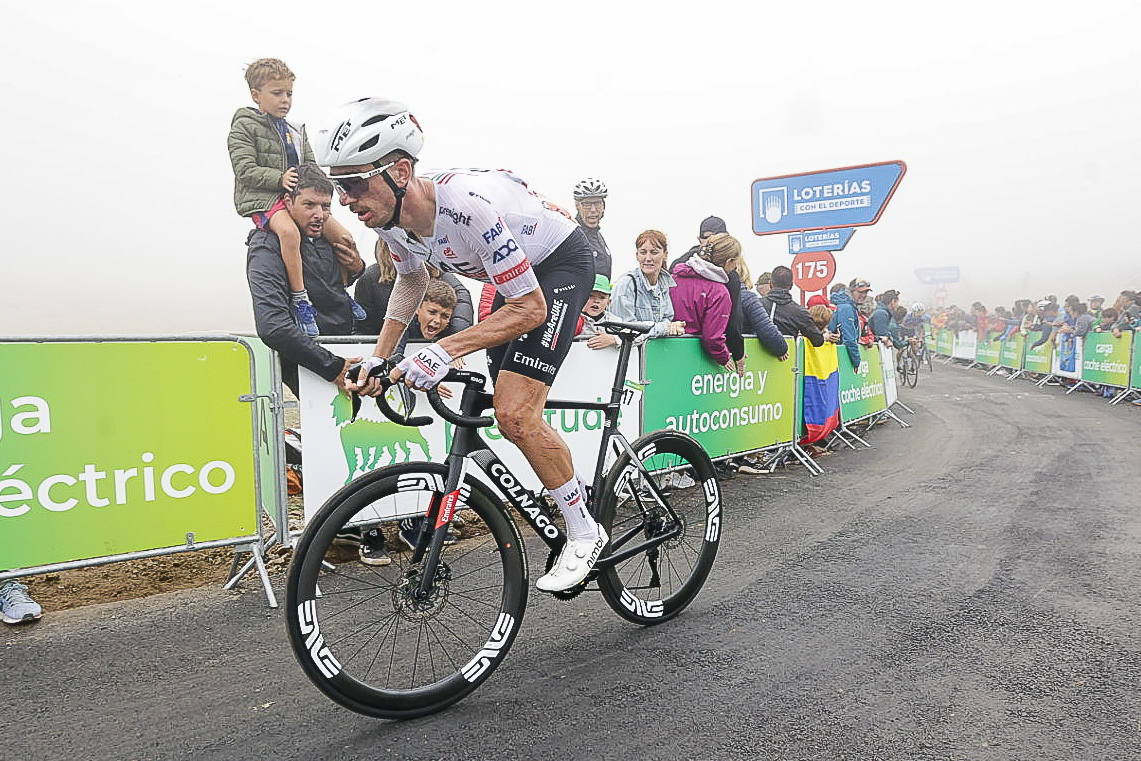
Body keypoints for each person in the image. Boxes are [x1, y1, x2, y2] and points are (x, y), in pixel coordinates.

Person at [316, 98, 606, 592]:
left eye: (354, 183)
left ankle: (584, 530)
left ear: (400, 171)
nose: (345, 200)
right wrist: (382, 357)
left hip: (557, 267)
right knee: (506, 397)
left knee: (516, 412)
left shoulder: (463, 209)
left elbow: (531, 309)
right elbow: (409, 284)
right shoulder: (389, 223)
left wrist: (444, 349)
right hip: (517, 281)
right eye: (339, 186)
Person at [245, 165, 391, 566]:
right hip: (311, 365)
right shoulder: (266, 244)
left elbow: (333, 299)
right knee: (336, 448)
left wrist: (356, 269)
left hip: (345, 355)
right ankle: (348, 532)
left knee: (363, 443)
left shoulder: (326, 239)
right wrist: (333, 367)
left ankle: (368, 528)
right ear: (287, 202)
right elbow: (272, 325)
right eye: (308, 204)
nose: (318, 214)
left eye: (325, 206)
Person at [228, 58, 364, 336]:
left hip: (300, 197)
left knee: (343, 236)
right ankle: (301, 300)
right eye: (277, 93)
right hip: (264, 197)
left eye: (289, 93)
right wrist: (278, 179)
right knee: (290, 234)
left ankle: (340, 294)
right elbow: (244, 169)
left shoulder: (295, 129)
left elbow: (311, 167)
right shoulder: (244, 125)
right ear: (256, 95)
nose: (285, 100)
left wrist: (327, 191)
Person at [354, 238, 473, 336]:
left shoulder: (436, 270)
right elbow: (362, 328)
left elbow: (461, 297)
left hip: (431, 345)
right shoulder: (370, 278)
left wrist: (456, 337)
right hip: (388, 345)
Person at [669, 232, 739, 369]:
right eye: (736, 260)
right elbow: (712, 338)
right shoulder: (719, 293)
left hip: (662, 352)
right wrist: (724, 357)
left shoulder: (672, 279)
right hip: (693, 361)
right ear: (729, 262)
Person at [611, 230, 686, 339]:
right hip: (629, 354)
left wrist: (670, 327)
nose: (648, 258)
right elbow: (626, 329)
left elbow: (667, 318)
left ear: (665, 255)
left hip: (651, 353)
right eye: (643, 252)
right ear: (637, 255)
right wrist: (665, 328)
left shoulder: (663, 284)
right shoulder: (626, 284)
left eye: (654, 252)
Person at [734, 257, 789, 359]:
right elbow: (768, 332)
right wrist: (782, 348)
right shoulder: (748, 298)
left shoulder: (709, 293)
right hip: (744, 361)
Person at [761, 266, 825, 346]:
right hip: (787, 357)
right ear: (791, 285)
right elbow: (818, 340)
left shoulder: (756, 304)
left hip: (753, 357)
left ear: (770, 284)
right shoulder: (799, 312)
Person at [573, 178, 611, 279]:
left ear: (603, 206)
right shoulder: (572, 236)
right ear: (577, 206)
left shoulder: (597, 236)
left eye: (597, 203)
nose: (593, 210)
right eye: (587, 204)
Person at [829, 278, 872, 369]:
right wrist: (856, 362)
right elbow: (849, 338)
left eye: (866, 292)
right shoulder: (846, 307)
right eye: (860, 292)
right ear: (851, 291)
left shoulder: (847, 305)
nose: (863, 295)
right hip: (838, 357)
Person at [577, 275, 619, 349]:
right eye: (591, 296)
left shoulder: (615, 321)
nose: (596, 301)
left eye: (602, 297)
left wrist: (614, 339)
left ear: (608, 302)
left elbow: (638, 335)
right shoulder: (572, 319)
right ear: (581, 298)